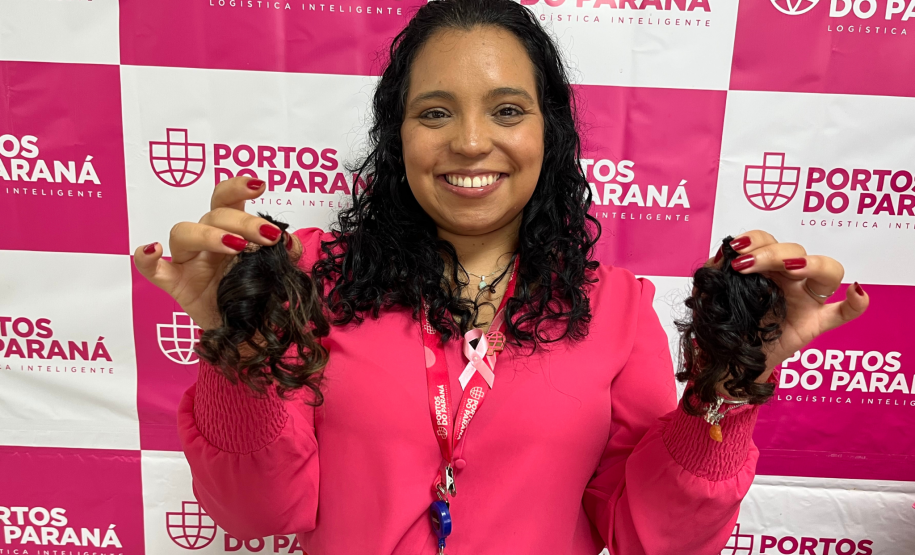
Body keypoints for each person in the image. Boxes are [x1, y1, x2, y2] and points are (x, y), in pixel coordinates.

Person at [133, 1, 869, 553]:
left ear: (548, 131)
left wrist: (727, 382)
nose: (471, 140)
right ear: (398, 134)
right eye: (435, 112)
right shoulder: (310, 280)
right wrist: (237, 346)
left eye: (506, 109)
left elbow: (649, 536)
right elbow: (257, 511)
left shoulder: (613, 307)